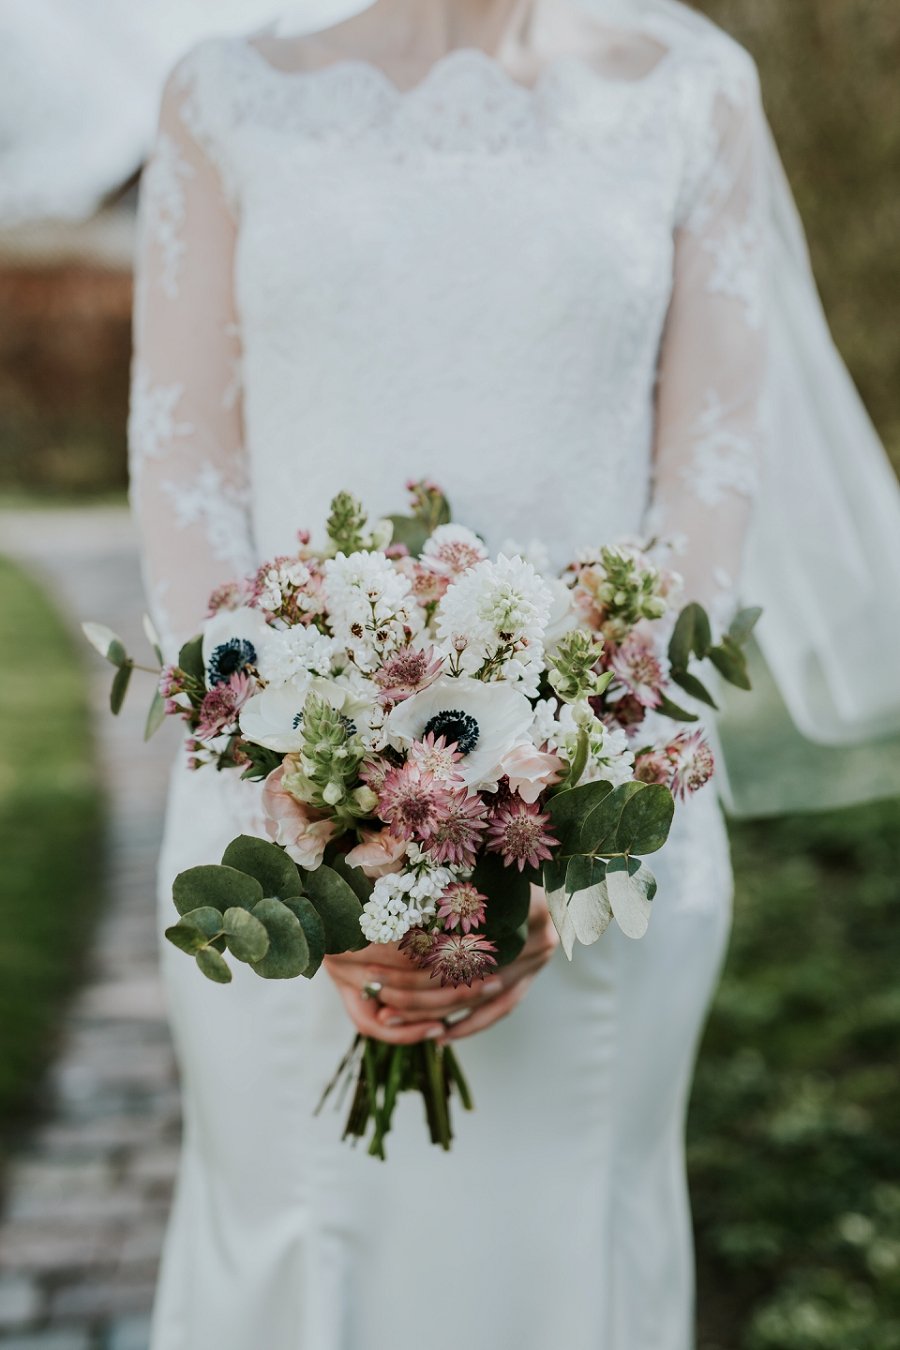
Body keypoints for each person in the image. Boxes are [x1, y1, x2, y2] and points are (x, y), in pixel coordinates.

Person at [128, 0, 897, 1345]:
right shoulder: (224, 98)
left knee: (569, 1270)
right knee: (302, 1263)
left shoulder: (692, 94)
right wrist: (309, 822)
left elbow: (709, 474)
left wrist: (573, 831)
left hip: (601, 831)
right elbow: (187, 465)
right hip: (272, 832)